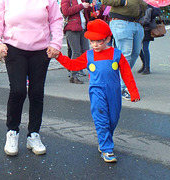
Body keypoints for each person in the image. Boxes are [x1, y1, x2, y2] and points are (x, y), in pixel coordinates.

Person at [55, 19, 140, 162]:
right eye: (91, 41)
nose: (94, 45)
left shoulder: (117, 54)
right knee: (101, 119)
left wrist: (134, 92)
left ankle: (105, 140)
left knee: (113, 119)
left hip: (114, 92)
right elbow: (73, 65)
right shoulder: (89, 55)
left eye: (98, 41)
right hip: (97, 92)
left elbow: (127, 74)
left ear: (107, 39)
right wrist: (58, 56)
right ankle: (107, 148)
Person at [0, 0, 63, 156]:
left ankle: (33, 134)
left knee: (36, 92)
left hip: (41, 49)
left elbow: (56, 20)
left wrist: (56, 43)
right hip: (13, 47)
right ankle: (12, 131)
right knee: (18, 90)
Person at [101, 0, 147, 100]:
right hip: (121, 21)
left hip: (137, 23)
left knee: (135, 54)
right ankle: (121, 87)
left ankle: (116, 81)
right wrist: (123, 2)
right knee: (125, 55)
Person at [61, 0, 93, 84]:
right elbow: (65, 11)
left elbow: (86, 12)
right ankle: (73, 75)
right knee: (76, 52)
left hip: (82, 27)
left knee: (86, 52)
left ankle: (92, 74)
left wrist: (90, 7)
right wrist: (81, 6)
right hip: (72, 28)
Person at [138, 5, 161, 75]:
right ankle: (145, 65)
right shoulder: (147, 6)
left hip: (146, 29)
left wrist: (139, 22)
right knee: (139, 49)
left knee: (144, 48)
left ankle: (147, 66)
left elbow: (146, 20)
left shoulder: (148, 7)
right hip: (144, 29)